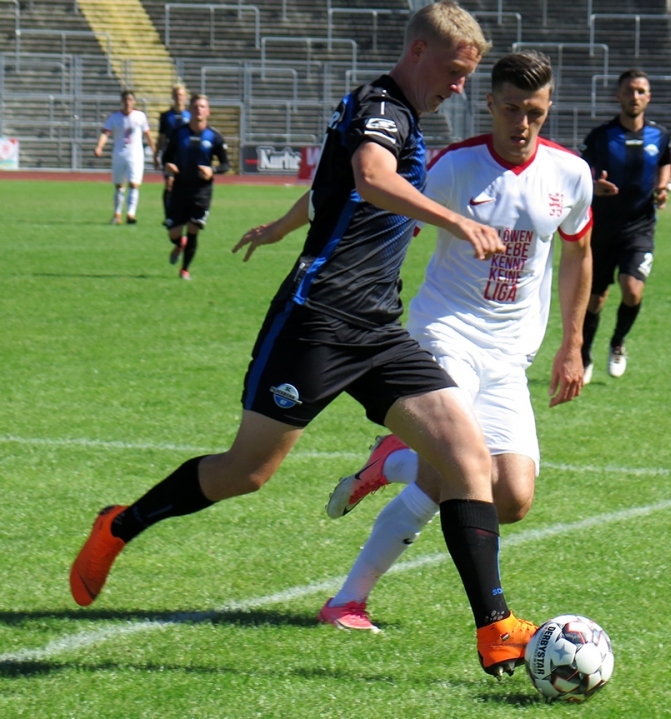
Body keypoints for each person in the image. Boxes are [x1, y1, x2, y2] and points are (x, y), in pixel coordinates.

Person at [69, 1, 535, 678]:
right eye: (455, 72)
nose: (460, 87)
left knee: (467, 458)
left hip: (377, 328)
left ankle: (496, 628)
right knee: (247, 472)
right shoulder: (381, 106)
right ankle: (119, 525)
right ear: (418, 52)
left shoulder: (404, 121)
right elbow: (371, 178)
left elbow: (332, 190)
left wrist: (281, 227)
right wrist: (456, 222)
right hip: (316, 321)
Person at [316, 51, 593, 633]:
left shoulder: (570, 174)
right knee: (452, 471)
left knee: (512, 498)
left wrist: (572, 344)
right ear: (489, 104)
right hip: (447, 334)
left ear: (549, 109)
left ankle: (392, 459)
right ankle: (347, 601)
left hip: (510, 355)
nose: (522, 124)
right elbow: (386, 223)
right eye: (511, 109)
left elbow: (578, 253)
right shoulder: (453, 167)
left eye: (535, 113)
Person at [579, 69, 671, 382]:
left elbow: (665, 162)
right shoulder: (601, 136)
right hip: (601, 228)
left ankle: (618, 342)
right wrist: (593, 186)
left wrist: (662, 187)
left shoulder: (660, 135)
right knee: (595, 299)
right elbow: (579, 173)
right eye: (629, 90)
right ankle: (584, 354)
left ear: (649, 97)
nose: (635, 96)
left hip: (639, 226)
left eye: (640, 91)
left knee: (632, 290)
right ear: (618, 95)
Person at [161, 93, 230, 280]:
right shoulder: (178, 133)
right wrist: (168, 168)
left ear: (208, 111)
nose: (199, 109)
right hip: (179, 188)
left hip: (201, 191)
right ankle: (179, 243)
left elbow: (225, 164)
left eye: (202, 106)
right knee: (173, 232)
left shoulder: (214, 137)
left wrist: (212, 170)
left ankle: (184, 269)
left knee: (193, 228)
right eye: (195, 106)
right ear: (189, 109)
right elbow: (166, 157)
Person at [94, 90, 155, 225]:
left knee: (134, 184)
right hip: (119, 154)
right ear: (121, 101)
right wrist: (99, 146)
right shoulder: (115, 117)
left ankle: (130, 214)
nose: (128, 102)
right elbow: (106, 133)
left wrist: (154, 150)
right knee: (119, 186)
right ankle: (117, 215)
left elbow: (147, 134)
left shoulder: (140, 116)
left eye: (130, 100)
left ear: (134, 101)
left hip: (135, 154)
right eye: (125, 100)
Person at [157, 84, 191, 224]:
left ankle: (185, 215)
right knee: (169, 185)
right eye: (176, 95)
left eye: (181, 95)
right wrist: (156, 154)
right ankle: (169, 216)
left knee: (186, 186)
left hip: (186, 156)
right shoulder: (166, 116)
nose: (179, 98)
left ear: (185, 97)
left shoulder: (190, 115)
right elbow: (161, 137)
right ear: (172, 97)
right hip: (170, 155)